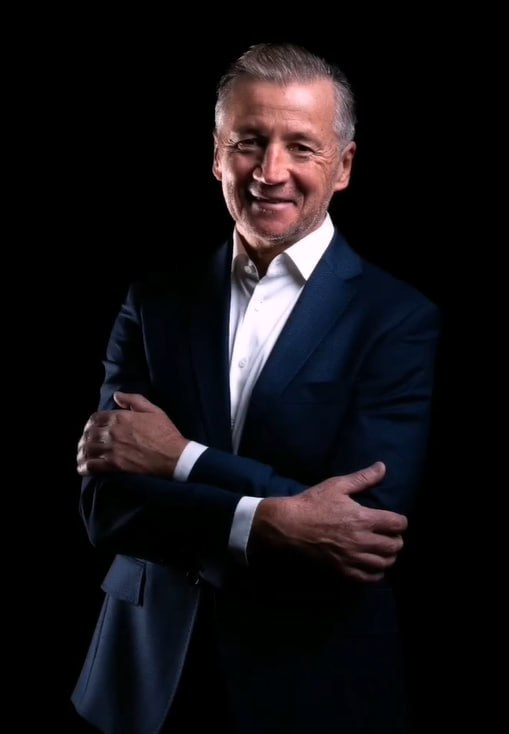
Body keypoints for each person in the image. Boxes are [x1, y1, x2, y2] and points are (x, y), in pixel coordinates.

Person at [72, 42, 440, 734]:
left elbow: (362, 530)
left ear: (343, 167)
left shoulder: (397, 319)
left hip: (309, 680)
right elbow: (107, 505)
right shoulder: (155, 302)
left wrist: (181, 461)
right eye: (248, 143)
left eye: (301, 147)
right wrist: (272, 521)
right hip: (143, 679)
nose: (270, 172)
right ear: (217, 156)